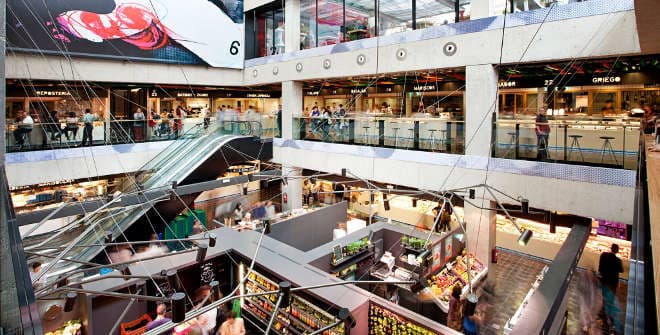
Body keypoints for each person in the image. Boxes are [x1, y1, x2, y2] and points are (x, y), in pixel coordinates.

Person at [599, 243, 623, 333]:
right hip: (612, 283)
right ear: (616, 250)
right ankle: (608, 319)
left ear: (611, 248)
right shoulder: (618, 261)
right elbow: (621, 270)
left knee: (604, 296)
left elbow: (600, 268)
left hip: (604, 281)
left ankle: (604, 314)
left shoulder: (603, 256)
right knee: (610, 299)